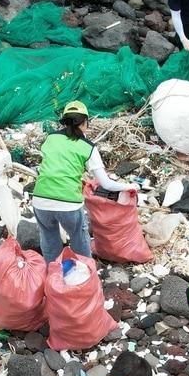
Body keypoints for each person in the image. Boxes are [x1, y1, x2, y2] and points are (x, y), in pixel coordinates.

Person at [30, 101, 139, 262]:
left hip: (40, 200)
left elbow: (54, 166)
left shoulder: (50, 138)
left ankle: (52, 278)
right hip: (68, 203)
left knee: (49, 241)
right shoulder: (88, 147)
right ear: (84, 122)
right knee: (79, 240)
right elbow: (106, 184)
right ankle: (86, 278)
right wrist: (130, 186)